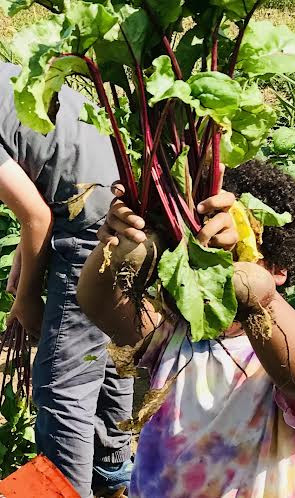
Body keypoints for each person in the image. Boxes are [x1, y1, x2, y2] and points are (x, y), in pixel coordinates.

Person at [77, 160, 295, 497]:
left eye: (240, 243)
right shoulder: (175, 336)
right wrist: (119, 246)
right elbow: (98, 302)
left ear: (278, 268)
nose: (212, 256)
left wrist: (260, 297)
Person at [0, 61, 134, 497]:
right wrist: (25, 254)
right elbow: (43, 165)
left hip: (90, 224)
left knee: (61, 385)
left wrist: (26, 299)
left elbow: (37, 213)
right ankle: (114, 477)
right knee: (111, 349)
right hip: (126, 204)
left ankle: (65, 491)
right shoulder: (7, 75)